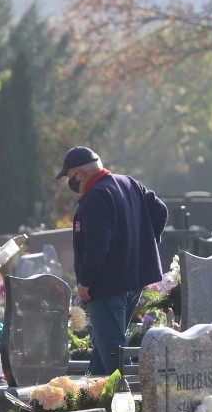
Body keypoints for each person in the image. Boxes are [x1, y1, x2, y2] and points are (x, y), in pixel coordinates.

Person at [56, 146, 168, 375]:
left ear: (80, 173)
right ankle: (95, 398)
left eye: (69, 177)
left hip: (107, 285)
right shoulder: (128, 182)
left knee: (114, 353)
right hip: (132, 281)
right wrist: (143, 245)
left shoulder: (95, 195)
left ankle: (132, 403)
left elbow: (97, 245)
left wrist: (85, 282)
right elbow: (160, 210)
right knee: (104, 345)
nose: (71, 183)